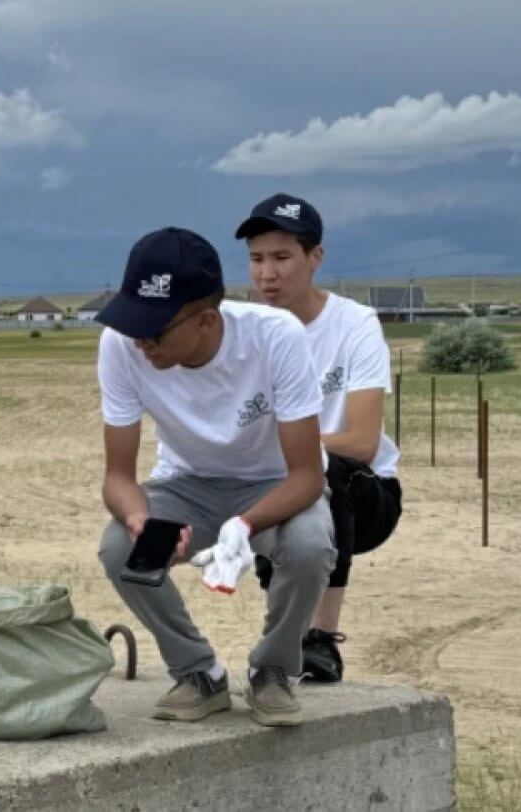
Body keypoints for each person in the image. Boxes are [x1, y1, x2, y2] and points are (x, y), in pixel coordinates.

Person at [95, 226, 335, 727]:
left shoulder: (275, 337)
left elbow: (308, 477)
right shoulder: (120, 347)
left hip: (275, 484)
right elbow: (116, 476)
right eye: (131, 322)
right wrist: (140, 518)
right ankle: (198, 673)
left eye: (154, 330)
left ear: (206, 320)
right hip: (186, 483)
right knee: (120, 548)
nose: (140, 342)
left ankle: (273, 670)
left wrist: (243, 526)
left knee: (310, 544)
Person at [236, 193, 402, 682]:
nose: (268, 273)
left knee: (327, 465)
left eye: (282, 257)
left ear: (315, 258)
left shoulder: (354, 325)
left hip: (364, 496)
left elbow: (364, 440)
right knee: (274, 479)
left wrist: (294, 450)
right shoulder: (243, 331)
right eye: (257, 259)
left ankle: (320, 639)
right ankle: (283, 635)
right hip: (278, 481)